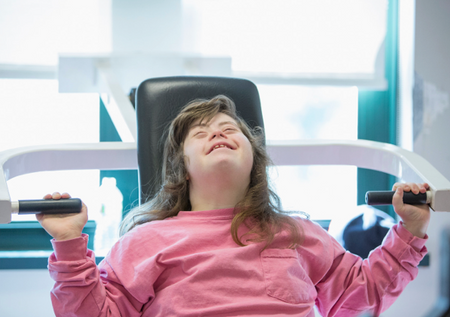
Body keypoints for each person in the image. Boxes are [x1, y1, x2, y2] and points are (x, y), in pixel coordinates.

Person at [38, 95, 430, 317]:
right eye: (201, 133)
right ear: (183, 167)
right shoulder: (147, 241)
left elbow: (362, 292)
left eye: (230, 130)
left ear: (253, 161)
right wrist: (71, 243)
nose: (218, 133)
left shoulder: (298, 233)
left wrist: (408, 231)